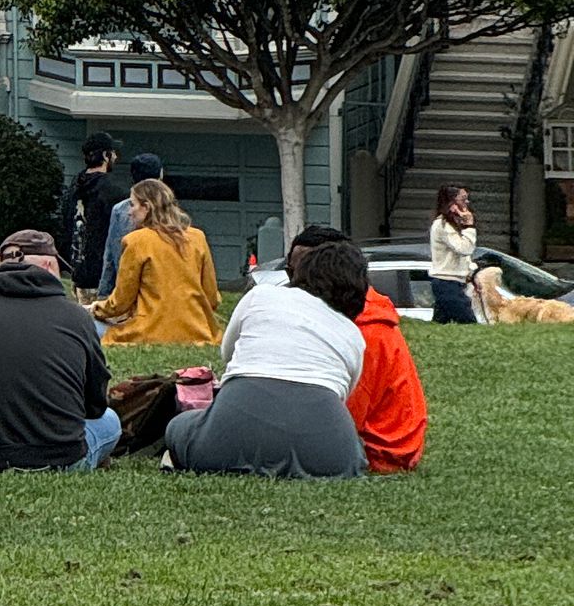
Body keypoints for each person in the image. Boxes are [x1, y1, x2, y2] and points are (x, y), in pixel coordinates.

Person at [166, 235, 370, 478]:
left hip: (227, 438)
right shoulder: (353, 335)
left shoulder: (261, 296)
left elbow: (227, 354)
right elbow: (341, 393)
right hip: (332, 456)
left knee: (179, 426)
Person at [0, 228, 120, 473]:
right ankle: (95, 463)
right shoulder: (76, 316)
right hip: (63, 458)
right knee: (110, 420)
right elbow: (96, 403)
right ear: (49, 265)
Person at [285, 224, 426, 472]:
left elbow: (346, 420)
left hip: (380, 452)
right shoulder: (356, 315)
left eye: (302, 278)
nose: (294, 287)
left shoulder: (366, 330)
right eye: (290, 274)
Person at [91, 176, 222, 348]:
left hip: (148, 331)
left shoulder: (136, 241)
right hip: (198, 331)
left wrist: (96, 308)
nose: (129, 211)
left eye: (133, 204)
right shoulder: (198, 237)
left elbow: (120, 302)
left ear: (146, 207)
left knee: (88, 326)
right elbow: (211, 297)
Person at [94, 151, 163, 301]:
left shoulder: (120, 210)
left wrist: (103, 294)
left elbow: (111, 254)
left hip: (125, 291)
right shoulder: (169, 212)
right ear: (160, 176)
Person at [56, 135, 119, 295]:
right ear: (106, 155)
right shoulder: (112, 190)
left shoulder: (73, 186)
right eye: (113, 152)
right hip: (100, 277)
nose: (116, 156)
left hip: (72, 273)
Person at [429, 184, 481, 324]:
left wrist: (471, 272)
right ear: (451, 203)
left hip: (455, 281)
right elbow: (464, 249)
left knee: (440, 325)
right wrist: (470, 226)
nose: (467, 203)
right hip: (447, 282)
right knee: (468, 323)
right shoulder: (442, 225)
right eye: (463, 199)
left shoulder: (453, 223)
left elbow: (464, 256)